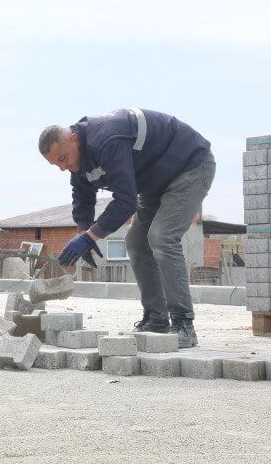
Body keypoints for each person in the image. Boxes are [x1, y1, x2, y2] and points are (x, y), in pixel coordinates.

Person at [38, 108, 216, 348]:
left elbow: (126, 201)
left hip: (190, 167)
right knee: (136, 242)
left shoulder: (107, 139)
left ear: (74, 139)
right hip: (155, 183)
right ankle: (156, 318)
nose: (62, 167)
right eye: (55, 164)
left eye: (62, 159)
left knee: (161, 237)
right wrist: (83, 231)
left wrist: (92, 236)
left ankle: (184, 324)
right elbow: (82, 194)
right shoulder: (78, 159)